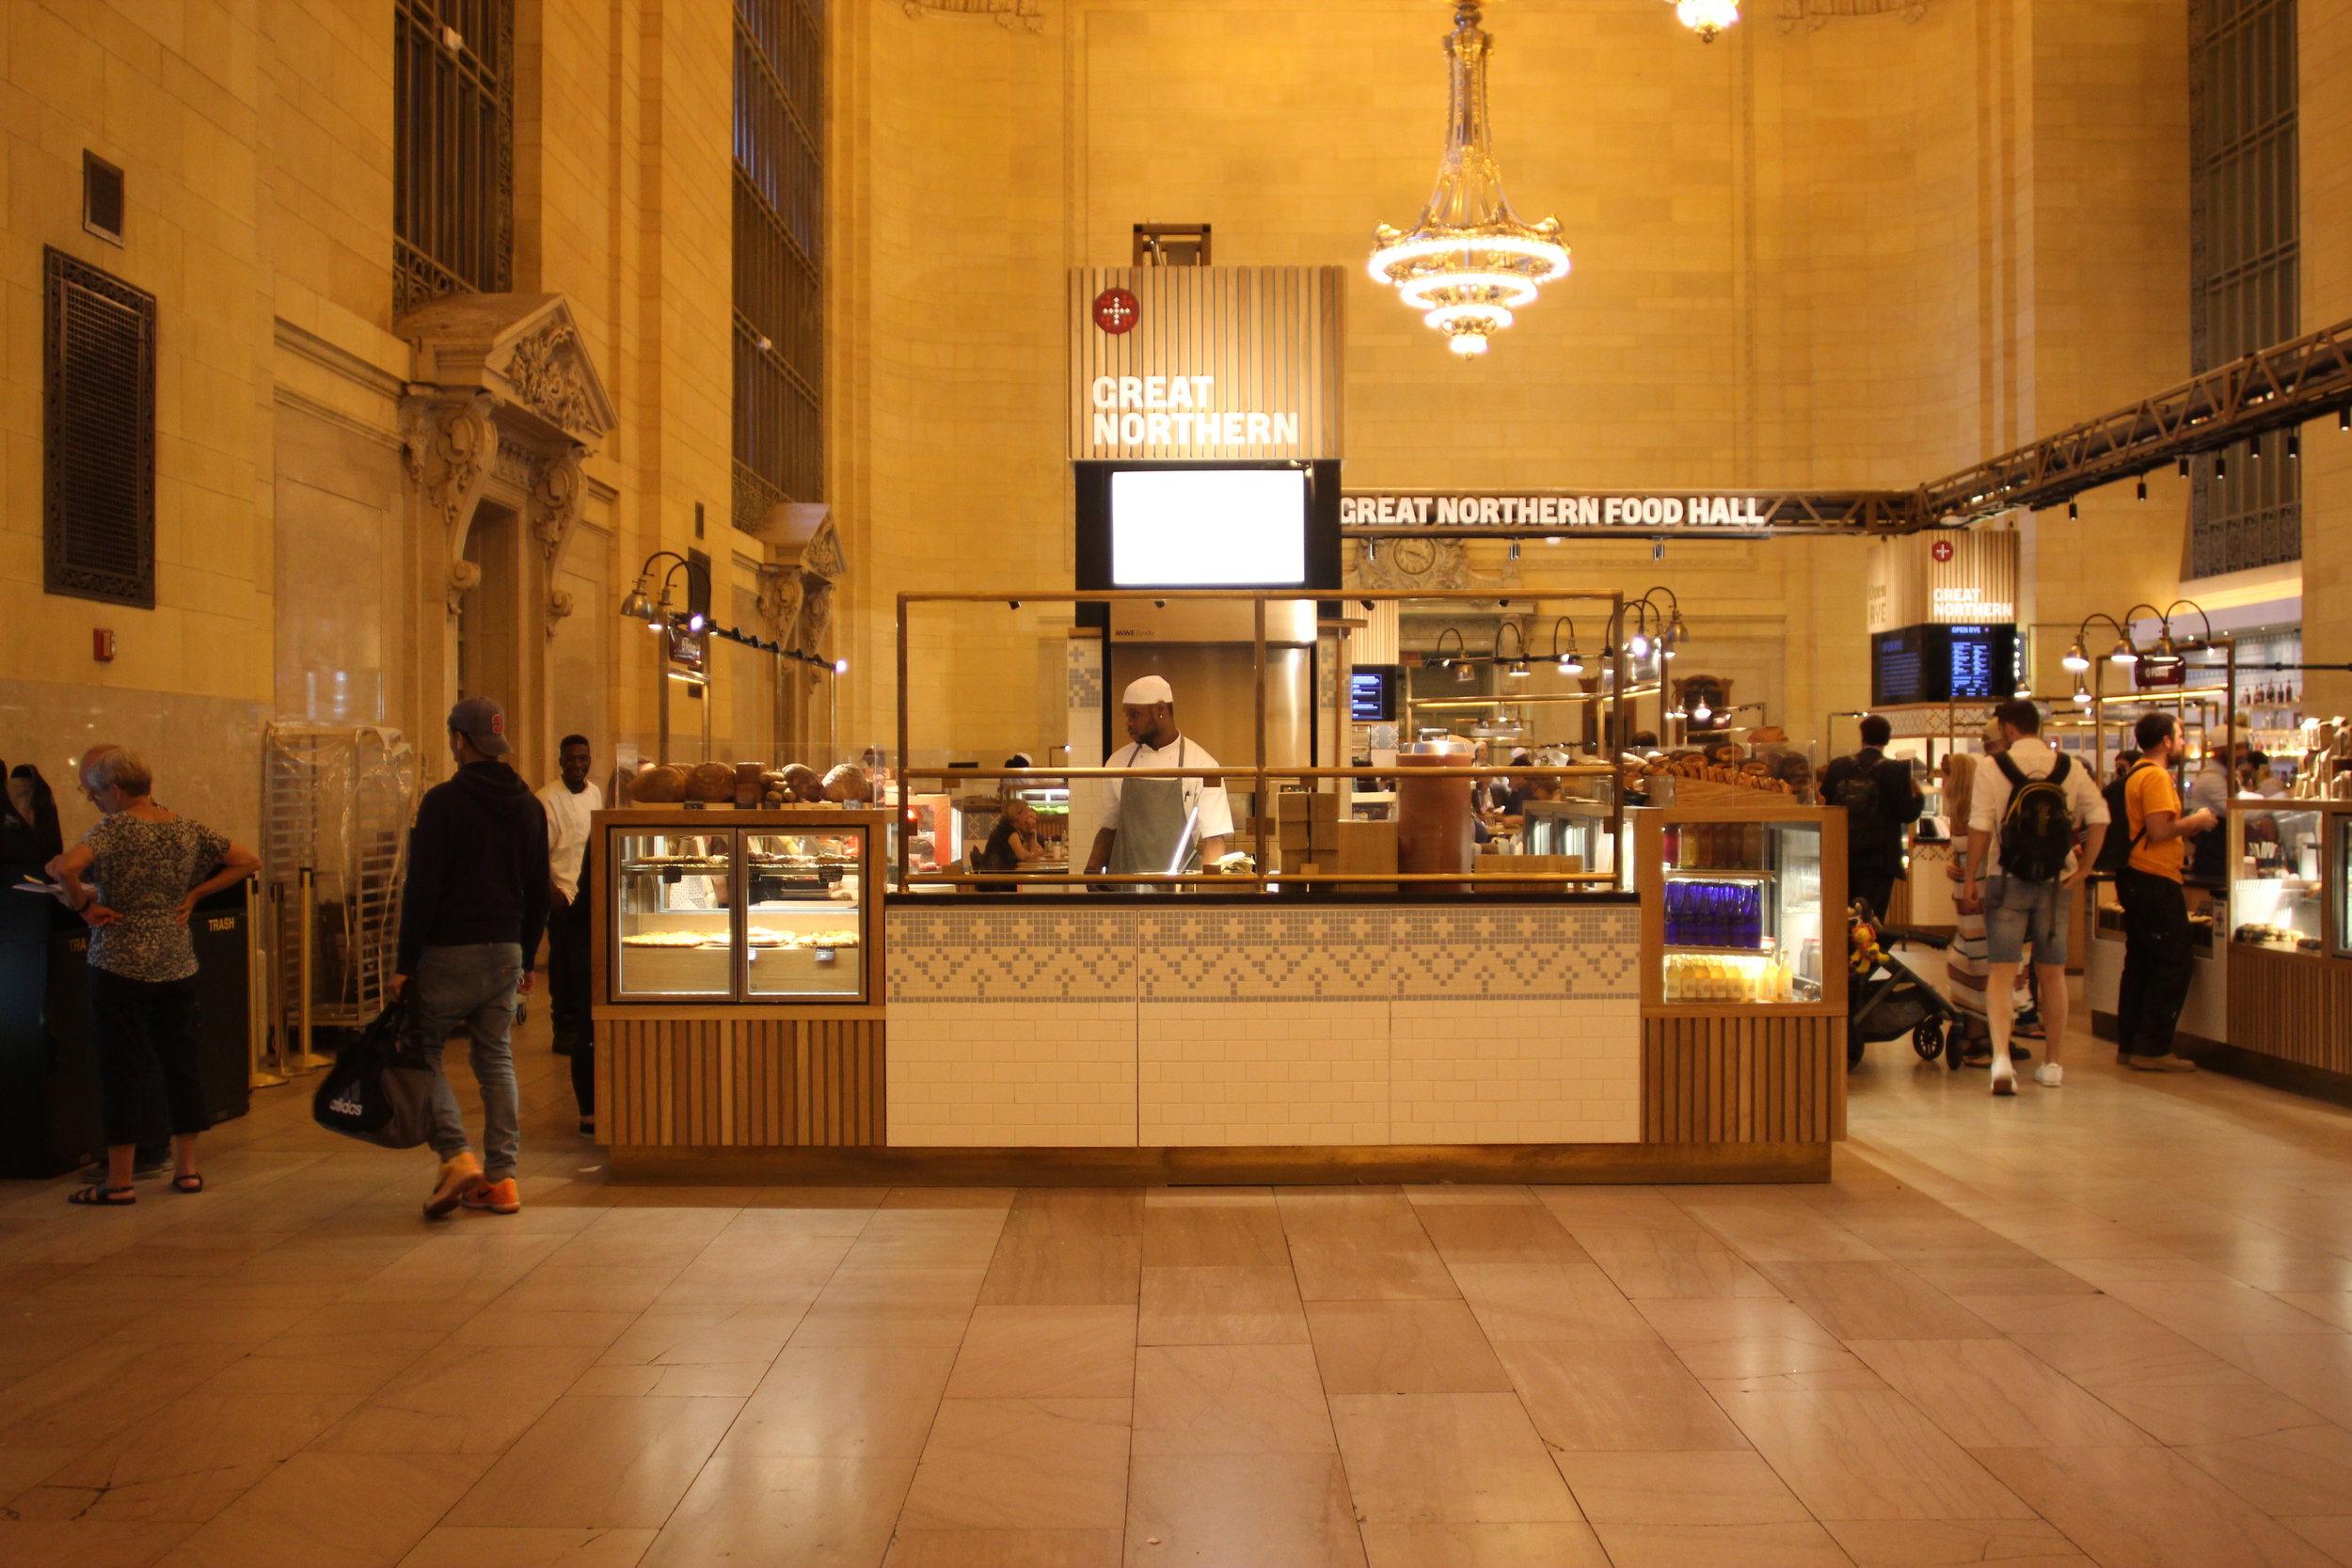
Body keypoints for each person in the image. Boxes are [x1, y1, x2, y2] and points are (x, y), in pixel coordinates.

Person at [45, 750, 260, 1205]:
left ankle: (120, 1181)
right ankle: (187, 1170)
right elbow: (248, 860)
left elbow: (67, 868)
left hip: (119, 963)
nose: (96, 801)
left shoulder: (114, 828)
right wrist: (195, 893)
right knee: (181, 1066)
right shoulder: (183, 826)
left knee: (121, 1068)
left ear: (116, 791)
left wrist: (85, 907)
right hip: (178, 962)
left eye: (96, 793)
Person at [395, 697, 551, 1217]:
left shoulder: (442, 803)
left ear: (460, 741)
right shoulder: (531, 806)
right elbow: (538, 891)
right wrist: (526, 957)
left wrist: (403, 962)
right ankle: (503, 1179)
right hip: (506, 948)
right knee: (496, 1058)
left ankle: (457, 1155)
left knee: (426, 1051)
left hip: (448, 949)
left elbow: (422, 889)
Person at [1963, 699, 2106, 1093]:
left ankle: (2001, 1059)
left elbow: (1979, 826)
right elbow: (2100, 817)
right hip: (2055, 883)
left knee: (2002, 971)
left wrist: (1973, 879)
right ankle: (2054, 1064)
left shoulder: (1993, 767)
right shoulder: (2070, 767)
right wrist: (2087, 868)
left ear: (2009, 728)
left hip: (2006, 877)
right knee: (2052, 972)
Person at [2115, 712, 2216, 1072]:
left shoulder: (2137, 773)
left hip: (2136, 877)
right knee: (2173, 960)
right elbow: (2159, 830)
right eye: (2180, 735)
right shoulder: (2155, 776)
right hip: (2155, 877)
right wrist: (2197, 821)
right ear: (2166, 742)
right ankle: (2153, 1046)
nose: (2185, 742)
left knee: (2141, 961)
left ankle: (2130, 1042)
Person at [1083, 676, 1232, 884]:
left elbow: (1215, 841)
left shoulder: (1203, 765)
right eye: (1127, 715)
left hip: (1178, 894)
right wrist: (1091, 870)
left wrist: (1209, 890)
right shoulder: (1117, 762)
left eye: (1135, 715)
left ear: (1161, 709)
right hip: (1124, 893)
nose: (1128, 723)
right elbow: (1109, 829)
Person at [536, 734, 602, 1137]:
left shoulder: (594, 793)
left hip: (591, 895)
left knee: (582, 969)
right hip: (564, 895)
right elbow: (537, 854)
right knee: (562, 967)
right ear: (560, 761)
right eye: (571, 759)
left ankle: (576, 1021)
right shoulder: (547, 799)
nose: (577, 765)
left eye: (583, 758)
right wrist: (553, 895)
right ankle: (565, 1027)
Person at [1821, 715, 1923, 920]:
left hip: (1843, 854)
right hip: (1880, 859)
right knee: (1872, 919)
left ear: (1862, 736)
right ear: (1887, 739)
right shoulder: (1897, 771)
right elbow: (1907, 813)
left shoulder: (1838, 766)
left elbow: (1827, 805)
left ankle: (1843, 951)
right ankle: (1869, 951)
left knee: (1842, 917)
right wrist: (1919, 796)